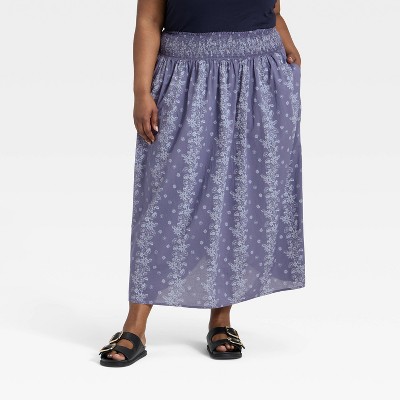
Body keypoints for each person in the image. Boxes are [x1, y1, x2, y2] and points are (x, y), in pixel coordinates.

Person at [99, 0, 305, 367]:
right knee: (163, 201)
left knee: (238, 197)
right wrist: (141, 91)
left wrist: (289, 51)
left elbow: (272, 11)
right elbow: (149, 19)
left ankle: (221, 319)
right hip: (185, 74)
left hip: (259, 74)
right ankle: (135, 325)